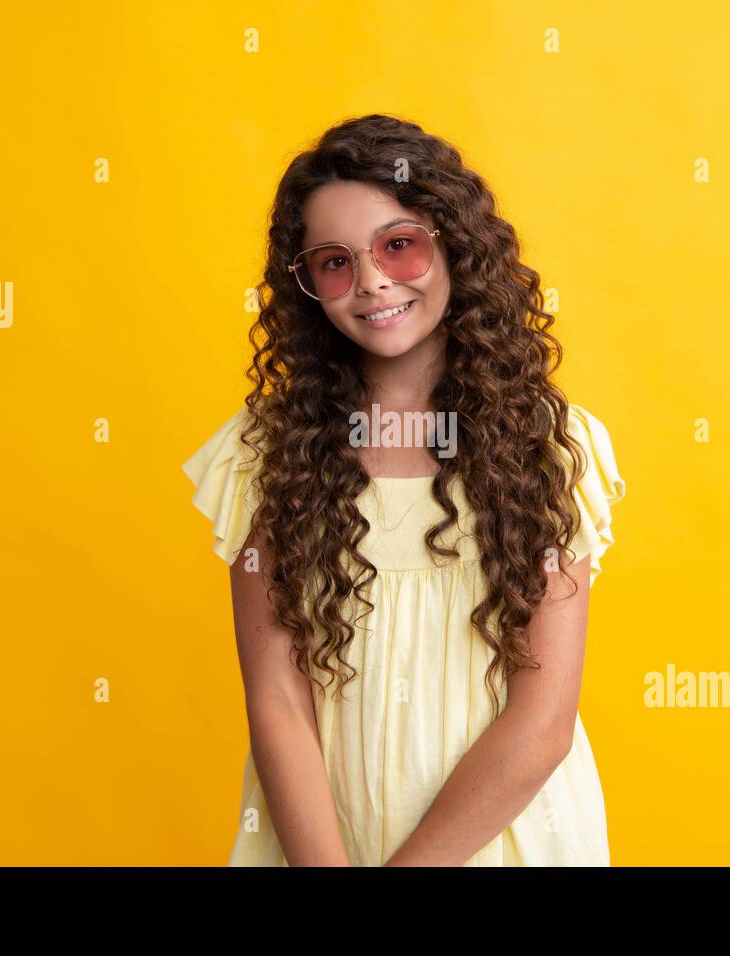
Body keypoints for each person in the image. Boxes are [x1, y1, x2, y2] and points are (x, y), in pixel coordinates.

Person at [182, 114, 625, 866]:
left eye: (399, 245)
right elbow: (279, 704)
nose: (373, 283)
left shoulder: (551, 446)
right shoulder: (268, 454)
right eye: (333, 262)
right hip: (323, 843)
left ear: (454, 242)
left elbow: (543, 720)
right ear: (308, 286)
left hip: (502, 840)